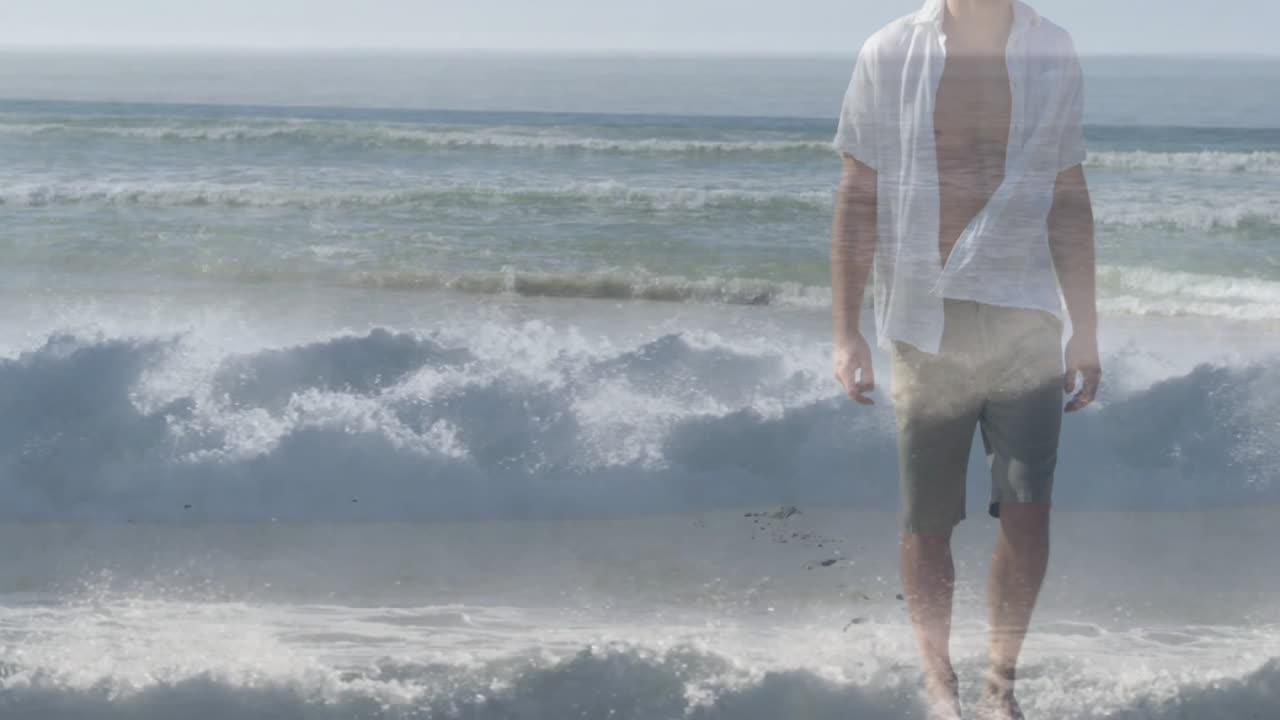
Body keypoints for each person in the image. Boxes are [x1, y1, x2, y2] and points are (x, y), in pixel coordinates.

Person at [829, 0, 1100, 718]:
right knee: (927, 520)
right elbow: (859, 190)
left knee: (1028, 512)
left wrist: (1086, 328)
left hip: (1026, 313)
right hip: (925, 314)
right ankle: (939, 682)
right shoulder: (890, 50)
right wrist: (846, 331)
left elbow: (1067, 190)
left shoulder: (1053, 48)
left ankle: (1000, 686)